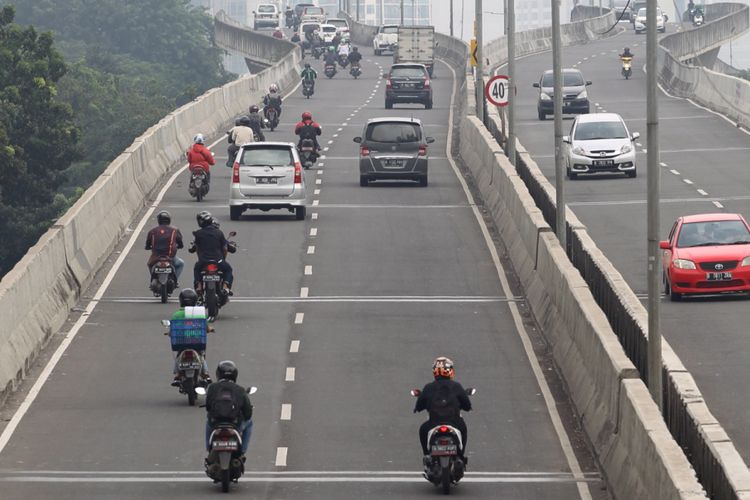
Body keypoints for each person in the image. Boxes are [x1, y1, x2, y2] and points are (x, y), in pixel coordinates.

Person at [414, 357, 472, 464]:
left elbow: (419, 405)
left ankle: (427, 455)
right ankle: (460, 456)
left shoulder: (428, 387)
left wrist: (418, 407)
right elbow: (467, 406)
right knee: (463, 429)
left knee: (423, 430)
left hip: (433, 423)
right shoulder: (456, 386)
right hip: (454, 422)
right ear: (450, 371)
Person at [205, 361, 254, 456]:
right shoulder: (240, 389)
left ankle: (209, 448)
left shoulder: (212, 387)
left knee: (208, 422)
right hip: (235, 424)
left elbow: (208, 407)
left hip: (215, 423)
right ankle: (242, 451)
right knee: (249, 423)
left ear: (218, 374)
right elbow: (248, 414)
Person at [169, 288, 211, 386]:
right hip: (196, 340)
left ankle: (177, 375)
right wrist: (209, 329)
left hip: (181, 341)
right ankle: (206, 374)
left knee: (179, 355)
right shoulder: (199, 313)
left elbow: (172, 330)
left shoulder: (176, 315)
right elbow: (206, 327)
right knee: (201, 355)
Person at [190, 211, 234, 295]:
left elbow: (195, 247)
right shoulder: (219, 233)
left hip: (203, 261)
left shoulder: (198, 233)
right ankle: (225, 286)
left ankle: (199, 286)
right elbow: (225, 248)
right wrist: (223, 259)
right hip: (218, 260)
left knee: (197, 268)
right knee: (228, 269)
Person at [145, 211, 184, 283]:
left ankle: (153, 279)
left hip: (156, 257)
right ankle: (174, 281)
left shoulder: (152, 231)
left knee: (149, 264)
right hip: (170, 257)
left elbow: (147, 244)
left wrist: (148, 247)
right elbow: (180, 243)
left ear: (159, 220)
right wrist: (179, 246)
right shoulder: (175, 230)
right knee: (180, 263)